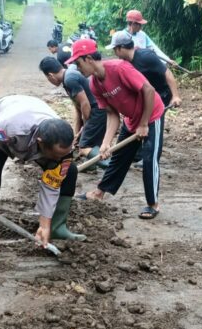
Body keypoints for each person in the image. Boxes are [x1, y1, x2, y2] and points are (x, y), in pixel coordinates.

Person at [0, 94, 85, 267]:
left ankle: (57, 227)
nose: (60, 158)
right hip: (1, 128)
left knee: (69, 171)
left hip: (32, 114)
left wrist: (45, 224)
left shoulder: (62, 146)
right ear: (40, 143)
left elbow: (52, 183)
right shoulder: (7, 128)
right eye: (56, 155)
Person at [66, 38, 165, 220]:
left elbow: (149, 90)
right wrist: (105, 143)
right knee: (119, 158)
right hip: (131, 119)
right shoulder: (94, 84)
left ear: (88, 59)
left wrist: (144, 124)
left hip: (151, 116)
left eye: (78, 63)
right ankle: (99, 192)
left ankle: (153, 204)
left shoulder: (119, 68)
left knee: (150, 158)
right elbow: (112, 115)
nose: (77, 68)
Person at [107, 30, 182, 167]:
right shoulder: (125, 63)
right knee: (139, 120)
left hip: (161, 94)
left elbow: (168, 73)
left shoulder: (146, 57)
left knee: (152, 124)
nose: (115, 53)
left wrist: (175, 96)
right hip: (146, 95)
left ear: (121, 48)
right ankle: (136, 154)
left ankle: (151, 158)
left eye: (115, 50)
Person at [38, 55, 109, 169]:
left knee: (84, 147)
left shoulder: (69, 79)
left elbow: (85, 104)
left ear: (50, 75)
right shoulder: (68, 75)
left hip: (97, 110)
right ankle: (90, 166)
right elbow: (78, 108)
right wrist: (76, 134)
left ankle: (111, 165)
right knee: (88, 142)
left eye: (48, 78)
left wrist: (85, 126)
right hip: (98, 109)